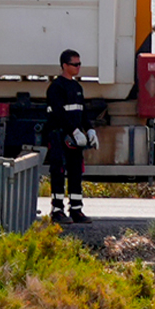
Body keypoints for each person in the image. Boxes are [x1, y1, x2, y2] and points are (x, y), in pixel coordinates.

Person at [42, 48, 101, 223]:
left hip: (75, 138)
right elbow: (59, 113)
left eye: (79, 64)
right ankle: (57, 210)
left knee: (76, 172)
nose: (78, 67)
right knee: (58, 171)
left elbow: (81, 112)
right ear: (64, 66)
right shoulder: (56, 87)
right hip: (59, 136)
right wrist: (73, 131)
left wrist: (89, 129)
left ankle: (76, 210)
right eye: (75, 64)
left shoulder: (77, 87)